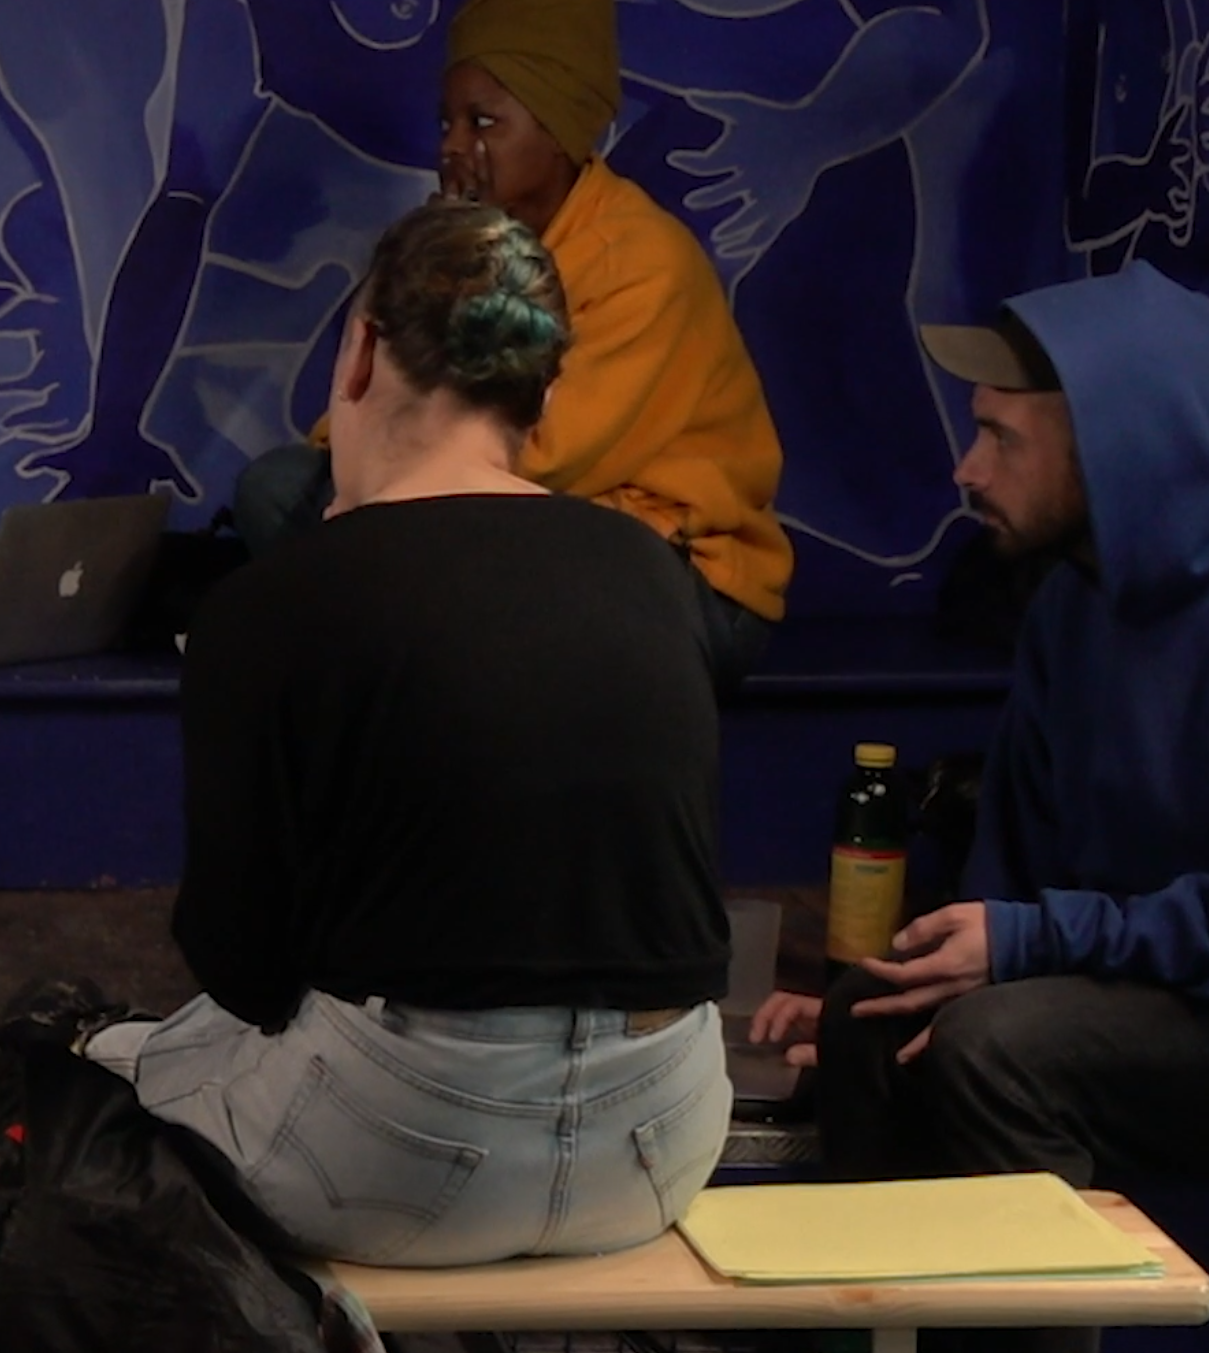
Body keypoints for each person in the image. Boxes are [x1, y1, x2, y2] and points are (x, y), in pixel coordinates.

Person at [750, 262, 1209, 1351]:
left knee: (997, 1045)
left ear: (1112, 445)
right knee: (869, 1016)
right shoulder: (1071, 605)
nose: (966, 468)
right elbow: (1019, 875)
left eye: (1000, 438)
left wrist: (1028, 947)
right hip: (1169, 990)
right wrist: (919, 978)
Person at [82, 200, 733, 1267]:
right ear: (544, 396)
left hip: (400, 1154)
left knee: (114, 1068)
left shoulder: (276, 600)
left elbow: (241, 965)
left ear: (358, 353)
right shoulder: (653, 572)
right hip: (662, 1140)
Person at [231, 0, 790, 685]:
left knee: (396, 529)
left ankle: (412, 660)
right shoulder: (473, 245)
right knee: (282, 488)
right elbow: (352, 420)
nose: (452, 147)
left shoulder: (641, 260)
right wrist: (428, 261)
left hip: (665, 569)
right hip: (500, 523)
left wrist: (385, 468)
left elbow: (541, 462)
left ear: (559, 129)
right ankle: (415, 661)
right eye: (448, 122)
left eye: (484, 121)